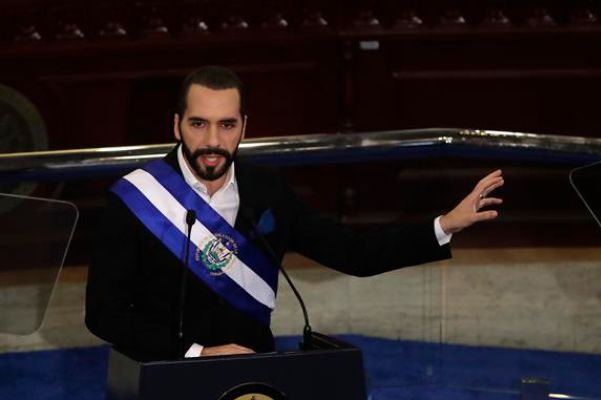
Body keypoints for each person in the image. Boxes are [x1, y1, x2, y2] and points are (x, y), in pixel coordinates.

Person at [85, 66, 504, 362]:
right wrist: (197, 353)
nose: (212, 140)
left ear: (244, 127)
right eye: (199, 124)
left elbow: (352, 252)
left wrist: (443, 226)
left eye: (227, 125)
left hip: (257, 380)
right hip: (167, 377)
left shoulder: (268, 192)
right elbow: (104, 314)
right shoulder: (133, 200)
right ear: (176, 125)